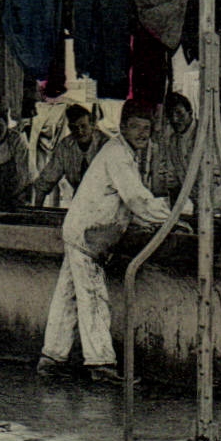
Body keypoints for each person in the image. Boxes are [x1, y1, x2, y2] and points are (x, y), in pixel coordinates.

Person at [38, 100, 175, 384]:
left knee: (68, 297)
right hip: (89, 235)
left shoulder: (123, 153)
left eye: (147, 129)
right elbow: (137, 199)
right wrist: (171, 216)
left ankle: (51, 357)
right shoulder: (117, 155)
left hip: (82, 231)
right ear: (123, 127)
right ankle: (101, 363)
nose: (142, 134)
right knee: (93, 297)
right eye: (136, 127)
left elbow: (125, 203)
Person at [27, 104, 107, 206]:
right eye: (74, 128)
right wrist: (37, 211)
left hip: (105, 202)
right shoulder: (65, 147)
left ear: (92, 124)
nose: (79, 131)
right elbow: (45, 181)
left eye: (83, 126)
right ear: (69, 127)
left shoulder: (106, 144)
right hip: (80, 203)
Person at [146, 92, 196, 201]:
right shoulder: (174, 141)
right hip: (199, 206)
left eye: (179, 113)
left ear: (190, 113)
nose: (175, 119)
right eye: (170, 115)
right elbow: (173, 181)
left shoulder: (205, 135)